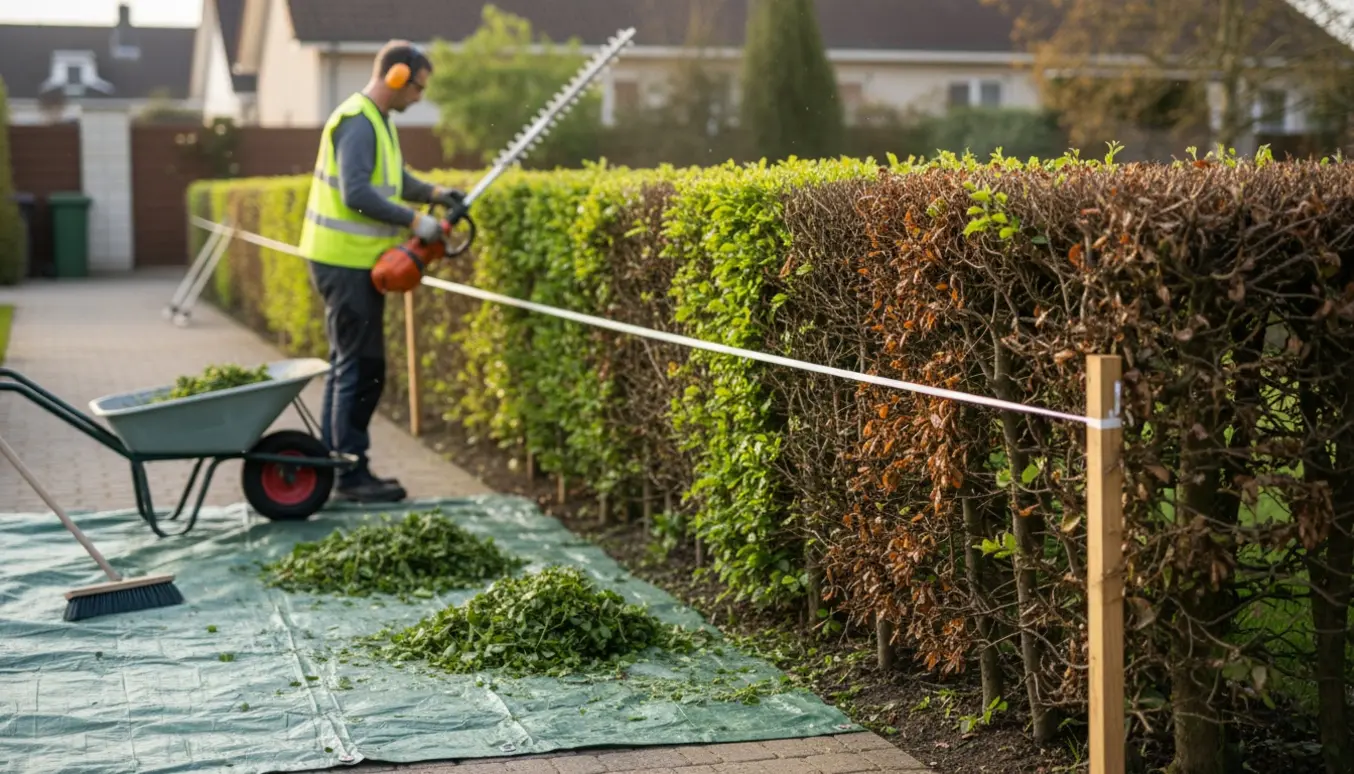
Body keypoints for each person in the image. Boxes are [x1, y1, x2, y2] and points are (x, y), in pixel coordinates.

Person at [298, 39, 464, 503]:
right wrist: (416, 221)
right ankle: (351, 475)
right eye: (417, 86)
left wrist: (435, 192)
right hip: (343, 260)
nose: (420, 96)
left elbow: (392, 180)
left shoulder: (378, 122)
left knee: (352, 365)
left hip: (352, 261)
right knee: (360, 367)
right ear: (395, 76)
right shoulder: (358, 122)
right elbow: (357, 194)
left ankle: (341, 465)